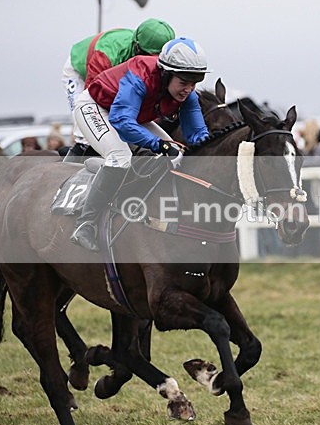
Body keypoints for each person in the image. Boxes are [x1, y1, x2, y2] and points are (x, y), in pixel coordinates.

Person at [70, 36, 211, 251]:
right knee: (120, 158)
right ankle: (85, 224)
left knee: (178, 154)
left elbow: (198, 136)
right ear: (166, 74)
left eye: (194, 84)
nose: (188, 90)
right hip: (97, 108)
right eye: (183, 83)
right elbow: (121, 121)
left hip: (129, 114)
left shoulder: (187, 94)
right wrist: (160, 146)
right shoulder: (140, 76)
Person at [62, 18, 176, 157]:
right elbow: (94, 95)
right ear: (136, 47)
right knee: (85, 134)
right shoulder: (107, 55)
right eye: (147, 56)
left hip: (111, 76)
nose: (150, 63)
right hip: (80, 71)